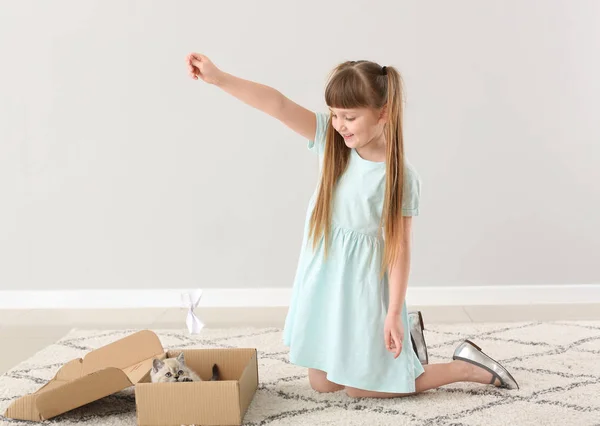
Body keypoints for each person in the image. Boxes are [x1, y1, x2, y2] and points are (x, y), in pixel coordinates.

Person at [186, 54, 519, 398]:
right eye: (334, 114)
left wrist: (392, 313)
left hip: (363, 286)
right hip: (326, 277)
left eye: (349, 116)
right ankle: (407, 348)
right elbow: (278, 104)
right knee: (323, 384)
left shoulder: (400, 176)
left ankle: (465, 366)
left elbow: (400, 249)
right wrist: (219, 78)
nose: (339, 124)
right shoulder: (332, 143)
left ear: (383, 113)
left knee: (362, 389)